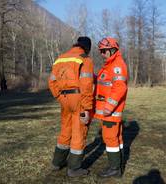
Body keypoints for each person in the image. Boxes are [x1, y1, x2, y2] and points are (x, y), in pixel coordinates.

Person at [48, 36, 94, 177]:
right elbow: (86, 85)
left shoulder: (60, 58)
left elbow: (51, 81)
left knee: (66, 129)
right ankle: (74, 168)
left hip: (64, 98)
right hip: (78, 98)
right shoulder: (85, 59)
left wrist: (59, 96)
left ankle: (57, 163)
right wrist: (87, 108)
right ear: (87, 47)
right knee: (79, 131)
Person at [94, 37, 128, 178]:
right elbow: (105, 82)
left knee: (110, 139)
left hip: (111, 112)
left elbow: (120, 87)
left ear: (112, 49)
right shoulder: (109, 65)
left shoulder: (116, 65)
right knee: (117, 138)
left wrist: (109, 107)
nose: (102, 54)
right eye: (100, 51)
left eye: (104, 51)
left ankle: (114, 169)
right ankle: (118, 165)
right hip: (108, 111)